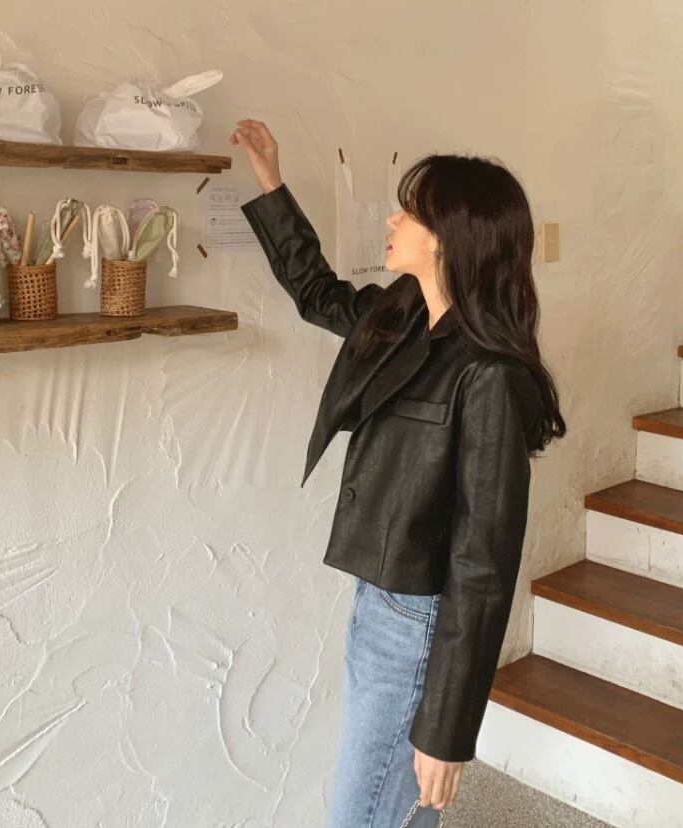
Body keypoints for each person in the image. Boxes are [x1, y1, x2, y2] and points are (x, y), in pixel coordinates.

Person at [230, 119, 566, 827]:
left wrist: (447, 731)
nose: (392, 220)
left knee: (365, 814)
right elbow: (316, 291)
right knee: (386, 811)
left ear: (448, 237)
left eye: (409, 212)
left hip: (419, 621)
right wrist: (269, 179)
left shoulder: (489, 377)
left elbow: (483, 562)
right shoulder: (402, 316)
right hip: (381, 603)